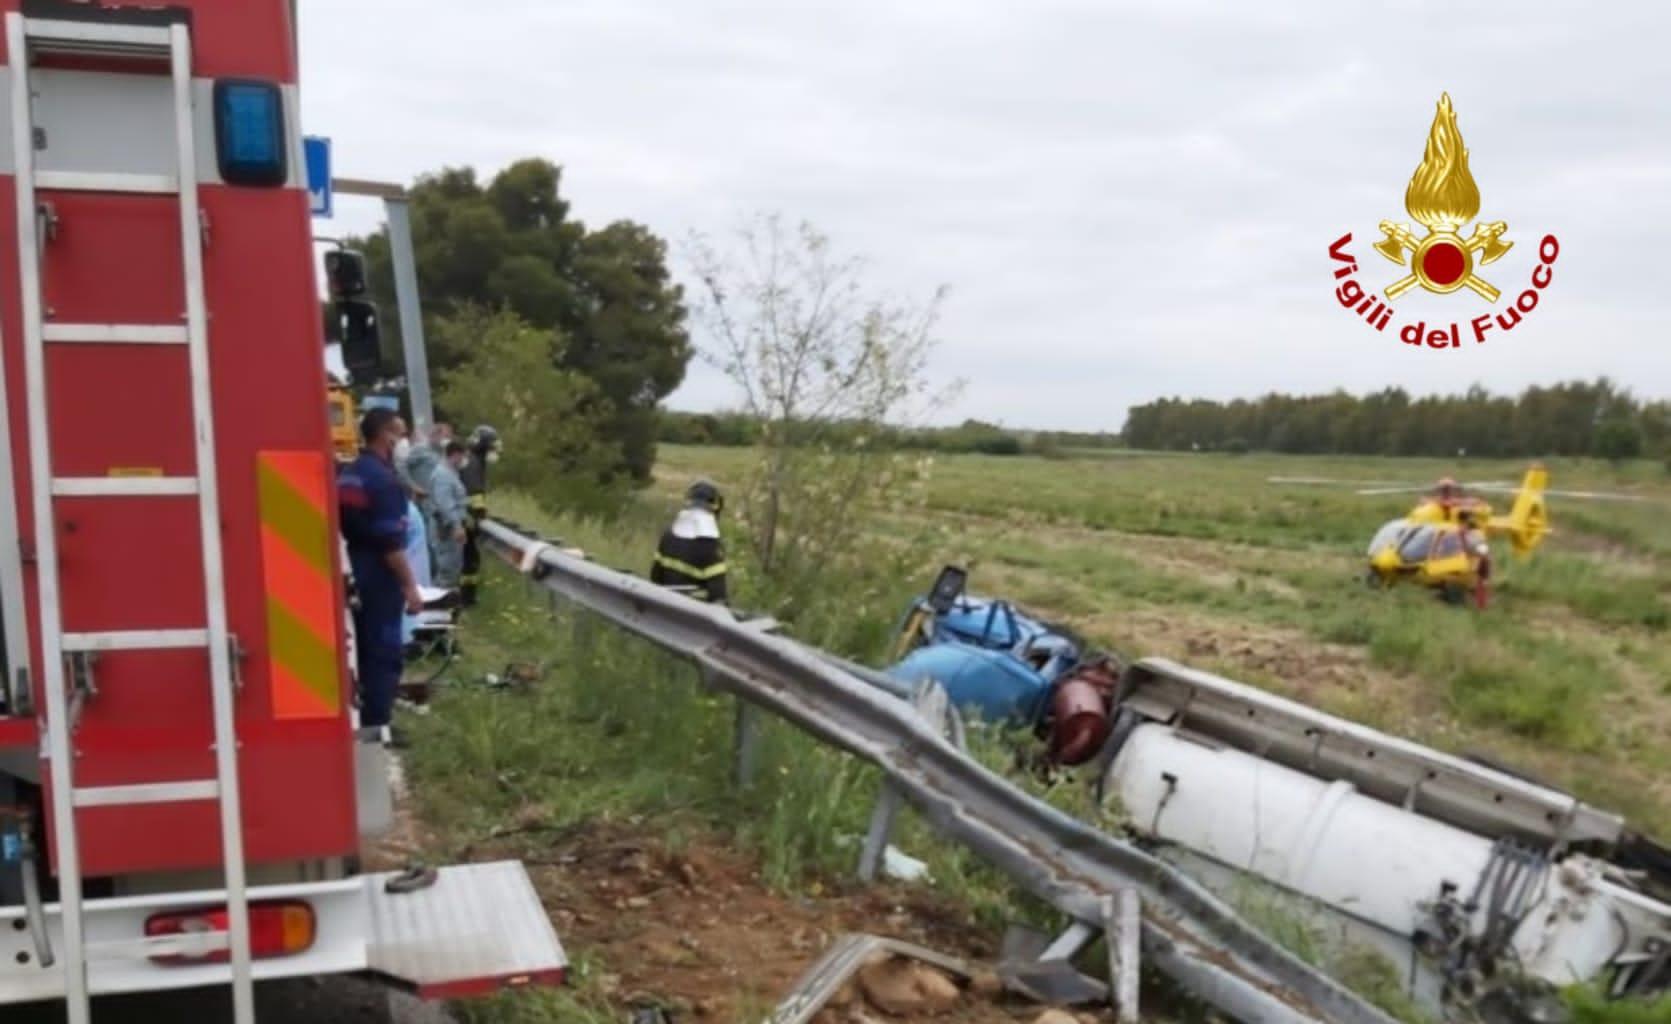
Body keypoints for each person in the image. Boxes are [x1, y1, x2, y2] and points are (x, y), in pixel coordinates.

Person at [338, 408, 424, 737]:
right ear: (385, 435)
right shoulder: (383, 482)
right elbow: (391, 544)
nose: (403, 442)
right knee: (383, 652)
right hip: (379, 576)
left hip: (356, 569)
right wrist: (410, 587)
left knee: (362, 647)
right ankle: (378, 725)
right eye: (400, 435)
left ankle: (366, 714)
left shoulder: (352, 472)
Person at [651, 479, 729, 604]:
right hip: (692, 617)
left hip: (662, 610)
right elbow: (718, 598)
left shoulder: (668, 536)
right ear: (714, 511)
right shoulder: (712, 547)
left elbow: (655, 577)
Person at [457, 425, 500, 606]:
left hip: (466, 517)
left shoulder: (473, 460)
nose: (493, 451)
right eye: (491, 447)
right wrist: (480, 513)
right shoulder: (473, 462)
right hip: (467, 519)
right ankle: (466, 598)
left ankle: (467, 597)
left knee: (470, 559)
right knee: (469, 559)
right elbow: (474, 492)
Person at [428, 440, 470, 588]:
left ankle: (447, 603)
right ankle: (438, 603)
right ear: (456, 455)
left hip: (449, 528)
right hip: (446, 529)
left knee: (453, 568)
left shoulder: (450, 473)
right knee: (447, 570)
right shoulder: (443, 476)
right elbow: (446, 505)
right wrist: (457, 526)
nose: (464, 460)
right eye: (463, 456)